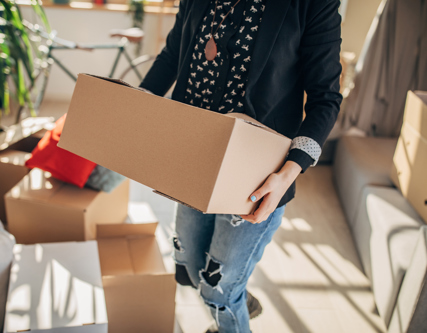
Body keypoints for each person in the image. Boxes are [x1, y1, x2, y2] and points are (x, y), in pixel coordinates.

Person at [139, 0, 342, 332]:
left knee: (216, 290)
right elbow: (172, 55)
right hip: (192, 157)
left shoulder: (313, 4)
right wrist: (135, 104)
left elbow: (326, 98)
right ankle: (237, 292)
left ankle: (230, 305)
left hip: (258, 175)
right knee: (191, 266)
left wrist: (289, 172)